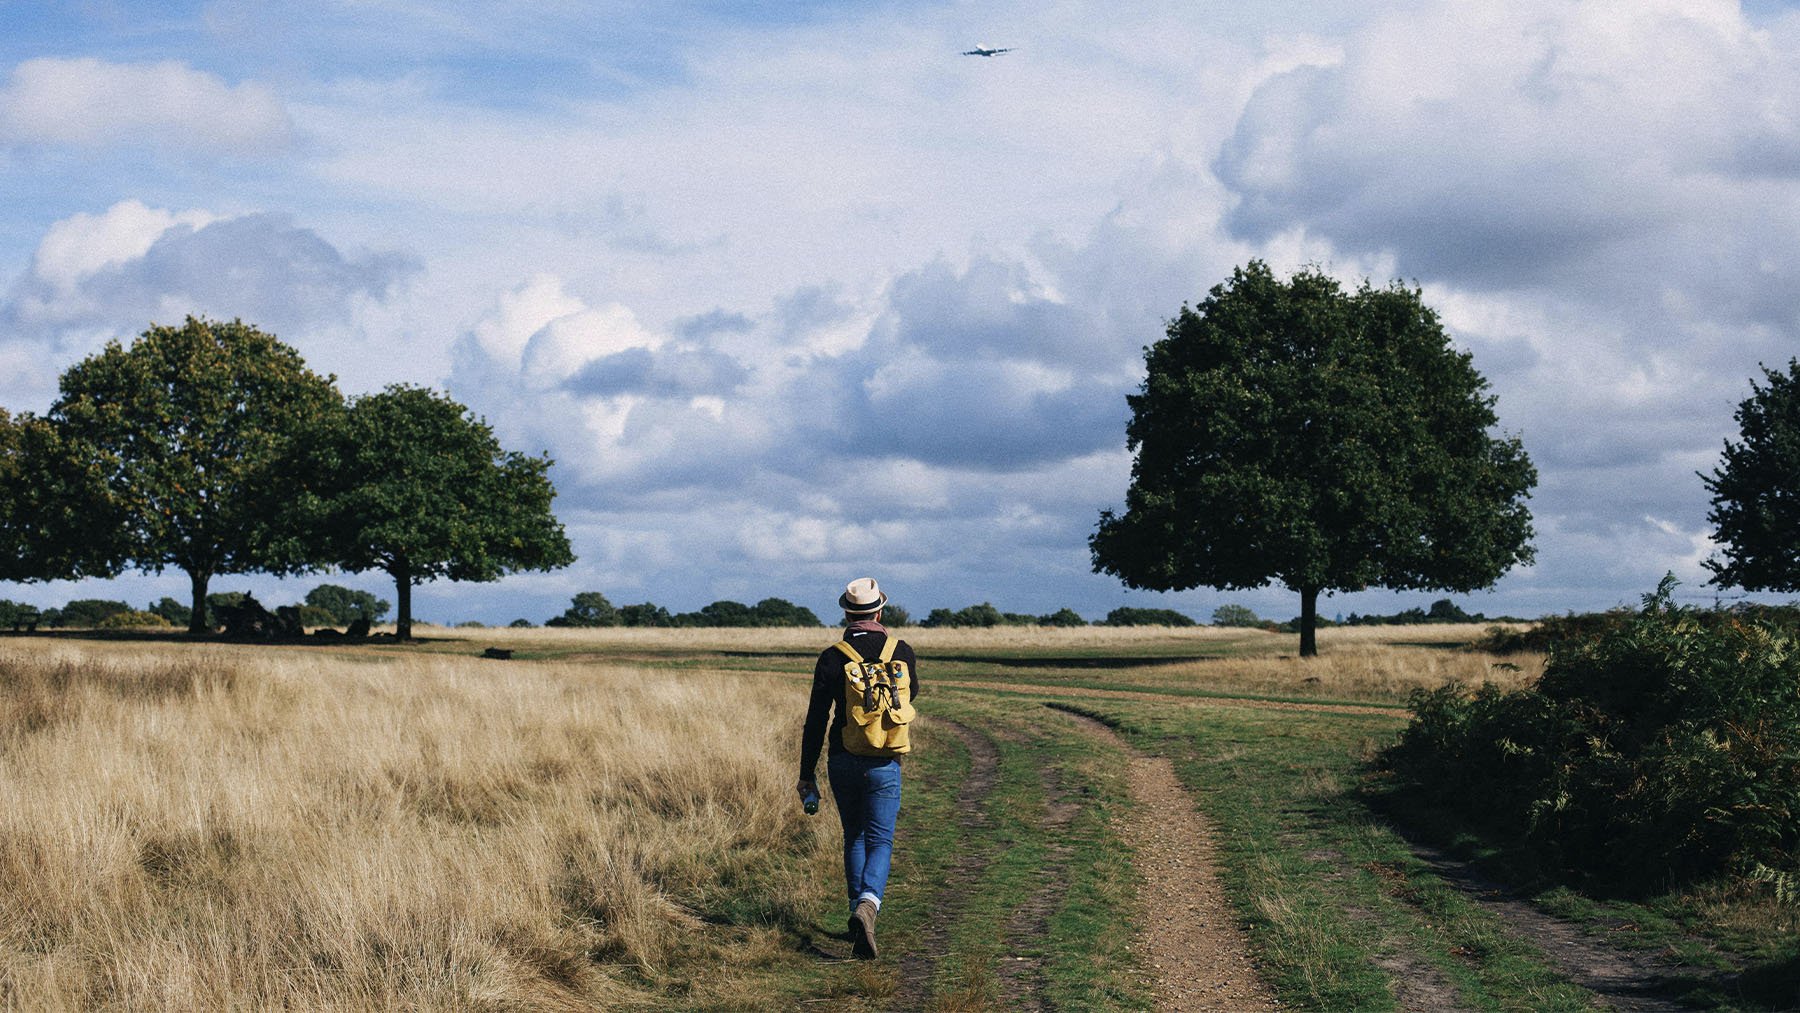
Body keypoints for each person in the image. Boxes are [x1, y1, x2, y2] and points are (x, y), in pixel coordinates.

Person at [796, 576, 919, 959]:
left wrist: (806, 773)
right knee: (881, 838)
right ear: (881, 610)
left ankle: (856, 914)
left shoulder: (833, 656)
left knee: (855, 836)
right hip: (885, 759)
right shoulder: (903, 652)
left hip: (842, 758)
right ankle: (869, 906)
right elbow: (908, 696)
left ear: (847, 614)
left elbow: (816, 719)